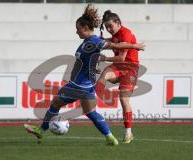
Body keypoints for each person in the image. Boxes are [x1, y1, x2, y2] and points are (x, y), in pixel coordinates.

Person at [24, 4, 144, 146]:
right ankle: (111, 138)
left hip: (79, 85)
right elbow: (89, 60)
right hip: (86, 86)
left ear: (85, 28)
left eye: (78, 29)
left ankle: (41, 130)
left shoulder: (94, 41)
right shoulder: (87, 42)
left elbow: (116, 46)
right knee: (91, 112)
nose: (77, 32)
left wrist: (134, 46)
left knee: (56, 102)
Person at [96, 10, 145, 144]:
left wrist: (105, 57)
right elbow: (109, 41)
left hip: (130, 68)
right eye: (106, 27)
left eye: (110, 26)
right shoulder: (116, 34)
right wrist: (98, 41)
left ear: (118, 23)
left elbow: (121, 57)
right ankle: (91, 104)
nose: (109, 29)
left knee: (124, 100)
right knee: (103, 76)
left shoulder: (126, 33)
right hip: (118, 67)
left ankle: (128, 133)